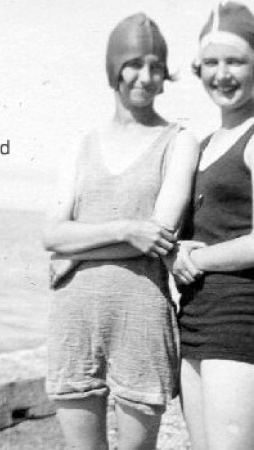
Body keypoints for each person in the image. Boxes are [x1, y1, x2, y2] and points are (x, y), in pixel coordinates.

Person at [42, 13, 199, 450]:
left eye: (155, 66)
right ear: (114, 67)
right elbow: (51, 235)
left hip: (140, 317)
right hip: (74, 318)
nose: (145, 77)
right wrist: (126, 229)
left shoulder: (179, 141)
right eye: (134, 64)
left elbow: (160, 235)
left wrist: (74, 251)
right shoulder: (82, 144)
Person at [170, 3, 254, 450]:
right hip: (195, 319)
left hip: (241, 322)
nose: (222, 74)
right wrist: (175, 251)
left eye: (236, 61)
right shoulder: (204, 145)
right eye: (212, 62)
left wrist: (196, 258)